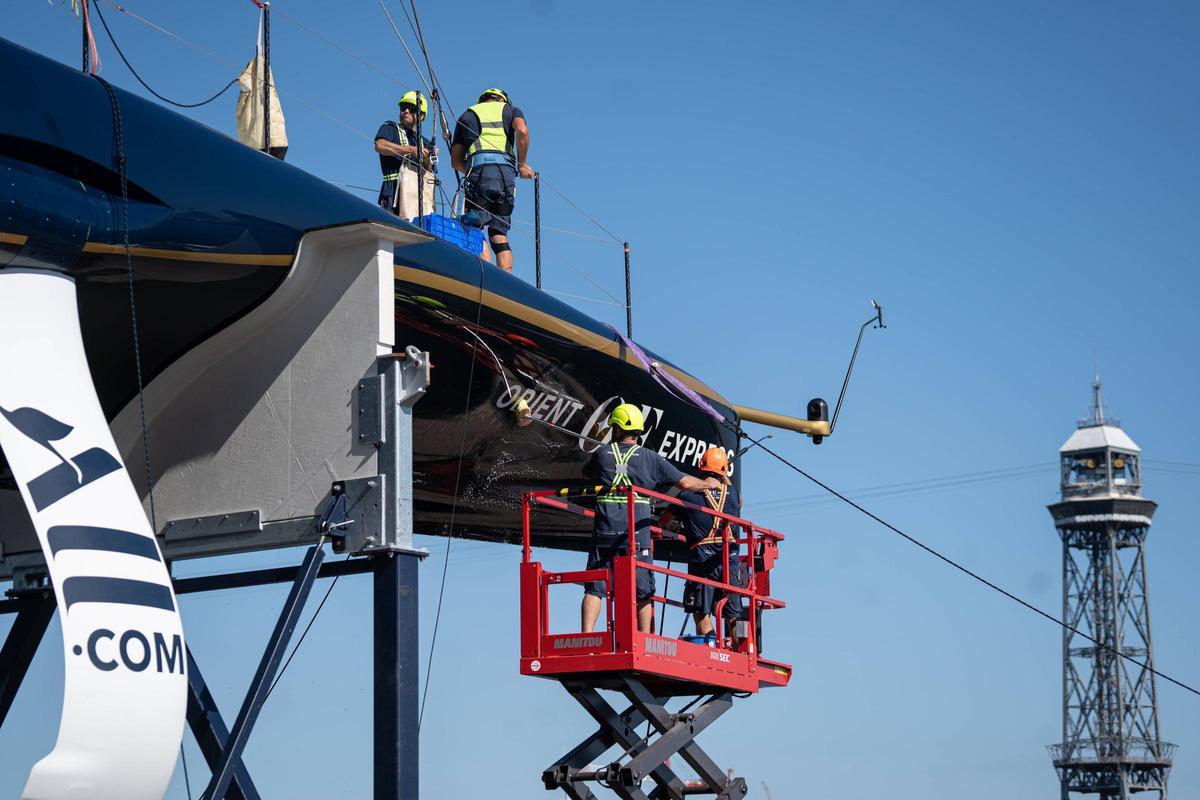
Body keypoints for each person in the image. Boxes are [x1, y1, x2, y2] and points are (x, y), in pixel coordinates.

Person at [581, 404, 722, 634]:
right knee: (643, 591)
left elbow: (585, 473)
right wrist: (708, 483)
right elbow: (685, 483)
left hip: (604, 531)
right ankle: (644, 637)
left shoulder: (602, 455)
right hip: (636, 534)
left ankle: (587, 635)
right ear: (639, 431)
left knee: (595, 587)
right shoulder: (650, 458)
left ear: (616, 428)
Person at [660, 447, 745, 646]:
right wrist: (724, 476)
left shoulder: (688, 496)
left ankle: (711, 648)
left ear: (701, 468)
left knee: (700, 612)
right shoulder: (732, 495)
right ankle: (740, 649)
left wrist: (680, 525)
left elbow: (664, 521)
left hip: (702, 560)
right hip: (729, 559)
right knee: (733, 614)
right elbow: (738, 500)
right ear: (724, 471)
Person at [450, 88, 534, 273]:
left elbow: (455, 161)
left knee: (474, 226)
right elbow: (522, 130)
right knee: (499, 232)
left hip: (480, 172)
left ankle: (487, 278)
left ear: (482, 100)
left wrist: (472, 170)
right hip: (507, 176)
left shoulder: (467, 115)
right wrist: (522, 164)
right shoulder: (511, 110)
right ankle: (506, 280)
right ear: (503, 100)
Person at [375, 91, 436, 219]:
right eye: (403, 108)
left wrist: (427, 158)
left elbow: (428, 171)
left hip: (416, 197)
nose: (406, 111)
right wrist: (410, 149)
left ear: (421, 115)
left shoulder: (425, 143)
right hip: (393, 193)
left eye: (412, 108)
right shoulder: (390, 128)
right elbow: (380, 146)